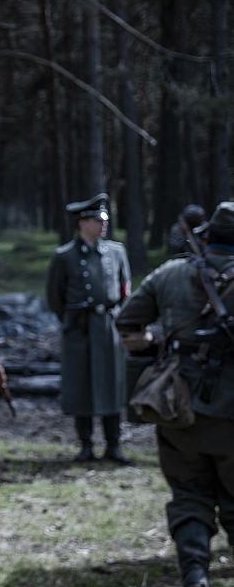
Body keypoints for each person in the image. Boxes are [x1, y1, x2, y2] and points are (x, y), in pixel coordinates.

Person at [116, 201, 234, 587]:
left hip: (178, 405)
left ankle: (195, 573)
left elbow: (128, 324)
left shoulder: (169, 274)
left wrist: (156, 347)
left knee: (189, 493)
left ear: (208, 237)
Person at [46, 193, 132, 464]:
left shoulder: (116, 252)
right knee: (82, 387)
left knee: (112, 385)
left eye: (104, 219)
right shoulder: (64, 256)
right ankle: (85, 445)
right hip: (79, 330)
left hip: (107, 328)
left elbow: (124, 289)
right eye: (97, 220)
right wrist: (71, 321)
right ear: (83, 223)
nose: (103, 225)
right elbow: (54, 296)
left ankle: (114, 445)